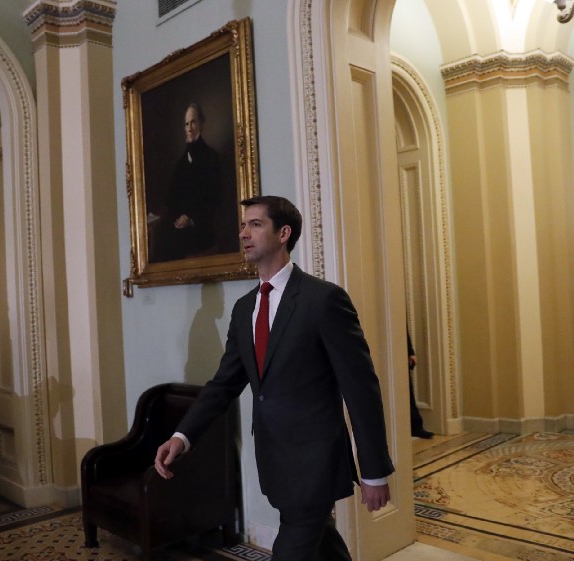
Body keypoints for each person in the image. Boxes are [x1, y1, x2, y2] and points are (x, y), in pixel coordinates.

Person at [155, 195, 394, 561]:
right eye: (242, 225)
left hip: (315, 459)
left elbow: (360, 387)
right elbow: (224, 384)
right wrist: (182, 436)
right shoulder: (244, 308)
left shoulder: (323, 300)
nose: (243, 233)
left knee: (292, 548)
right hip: (274, 457)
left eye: (255, 224)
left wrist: (374, 470)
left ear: (284, 233)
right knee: (322, 542)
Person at [152, 102, 222, 262]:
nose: (189, 127)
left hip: (201, 226)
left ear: (201, 124)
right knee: (161, 239)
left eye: (193, 122)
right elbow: (171, 199)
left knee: (173, 243)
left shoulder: (212, 157)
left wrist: (190, 218)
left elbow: (214, 198)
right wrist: (178, 217)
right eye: (186, 124)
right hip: (179, 225)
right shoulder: (180, 164)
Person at [407, 330, 433, 439]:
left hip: (401, 352)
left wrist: (410, 352)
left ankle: (416, 426)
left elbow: (403, 329)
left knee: (408, 393)